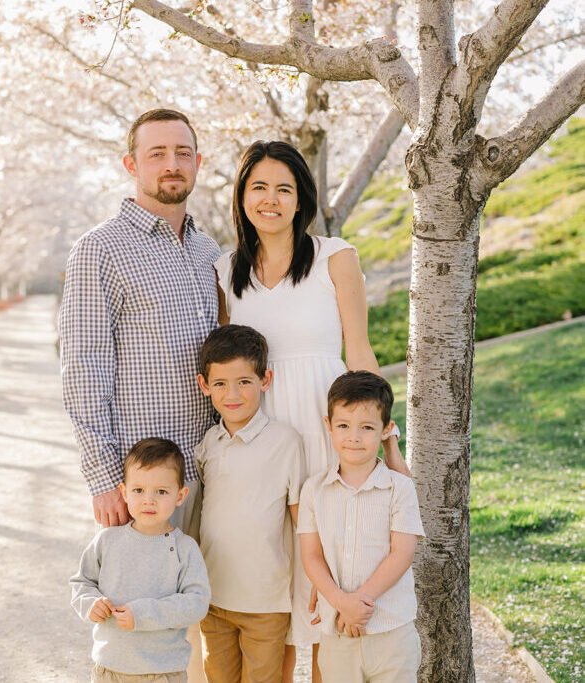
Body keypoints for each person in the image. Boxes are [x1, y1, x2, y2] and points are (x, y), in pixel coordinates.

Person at [214, 140, 409, 680]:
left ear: (302, 199)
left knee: (329, 563)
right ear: (242, 197)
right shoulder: (225, 269)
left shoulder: (334, 256)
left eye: (284, 188)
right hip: (262, 434)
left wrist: (385, 436)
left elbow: (360, 353)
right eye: (259, 187)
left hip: (325, 427)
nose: (271, 199)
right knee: (275, 574)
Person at [59, 108, 220, 535]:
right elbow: (83, 366)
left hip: (213, 472)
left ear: (198, 163)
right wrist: (103, 478)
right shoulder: (100, 249)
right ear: (131, 165)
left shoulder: (208, 251)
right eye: (157, 154)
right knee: (138, 602)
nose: (172, 165)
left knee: (206, 601)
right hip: (144, 484)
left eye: (183, 153)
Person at [298, 371, 425, 683]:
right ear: (328, 426)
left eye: (366, 427)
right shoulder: (314, 490)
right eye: (343, 425)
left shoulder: (400, 488)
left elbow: (402, 554)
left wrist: (360, 603)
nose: (353, 436)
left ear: (386, 430)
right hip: (338, 630)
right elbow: (311, 556)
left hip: (391, 631)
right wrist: (343, 604)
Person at [195, 325, 305, 683]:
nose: (233, 394)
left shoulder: (285, 442)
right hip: (213, 598)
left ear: (265, 379)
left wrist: (312, 583)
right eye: (221, 384)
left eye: (244, 381)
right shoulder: (207, 444)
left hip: (265, 602)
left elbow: (302, 519)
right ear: (204, 385)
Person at [71, 438, 211, 683]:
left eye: (161, 491)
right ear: (124, 492)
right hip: (109, 669)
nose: (149, 500)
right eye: (138, 490)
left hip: (163, 672)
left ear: (180, 495)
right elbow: (82, 583)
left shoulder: (184, 548)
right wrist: (91, 604)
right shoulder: (107, 541)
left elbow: (196, 603)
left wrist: (143, 614)